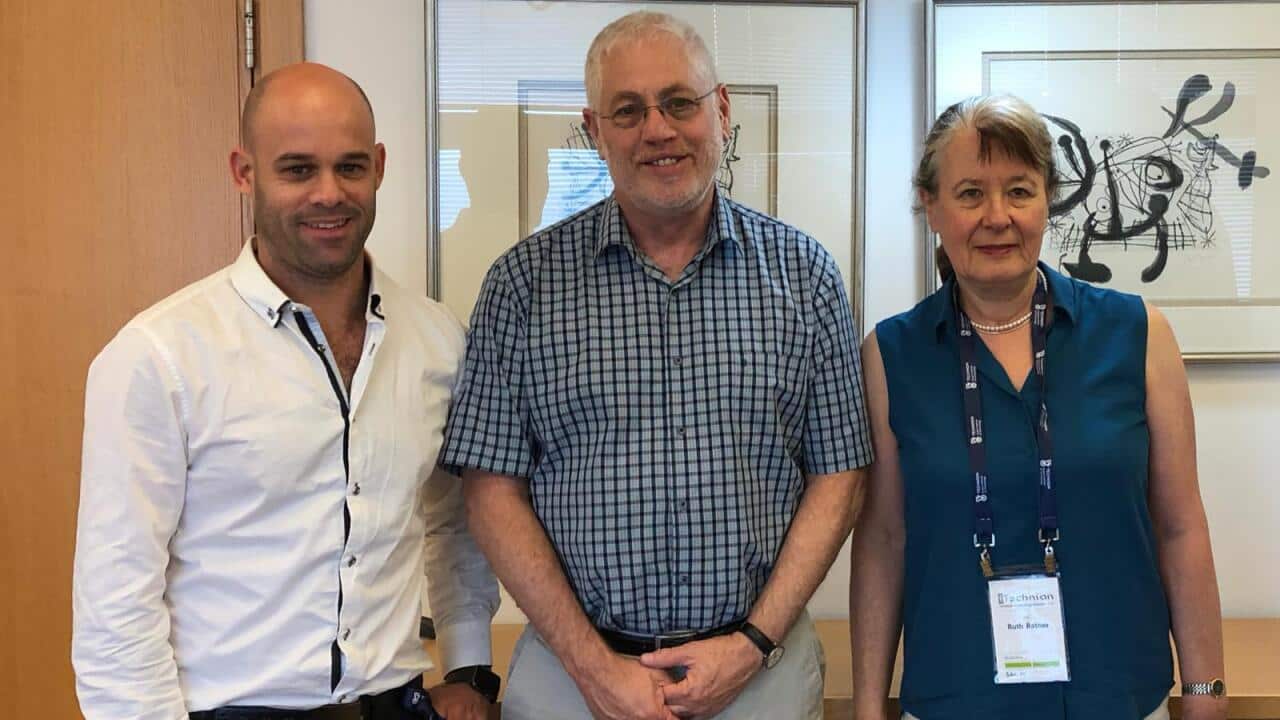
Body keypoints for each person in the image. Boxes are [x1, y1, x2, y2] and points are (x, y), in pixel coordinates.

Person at [439, 11, 872, 720]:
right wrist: (594, 668)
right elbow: (490, 492)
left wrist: (751, 643)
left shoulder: (806, 277)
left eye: (679, 103)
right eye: (629, 111)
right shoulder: (522, 286)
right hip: (573, 676)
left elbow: (841, 476)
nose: (659, 130)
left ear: (721, 110)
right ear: (594, 129)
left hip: (758, 671)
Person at [72, 63, 501, 720]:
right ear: (244, 173)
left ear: (380, 167)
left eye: (350, 167)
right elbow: (115, 610)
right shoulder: (157, 357)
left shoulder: (437, 340)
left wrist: (470, 670)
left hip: (396, 703)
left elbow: (454, 519)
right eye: (297, 170)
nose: (329, 193)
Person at [848, 95, 1227, 720]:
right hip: (955, 697)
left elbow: (1182, 525)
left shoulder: (1139, 336)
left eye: (1019, 191)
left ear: (1049, 198)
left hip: (1119, 696)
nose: (997, 217)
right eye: (970, 193)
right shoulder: (891, 356)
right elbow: (884, 539)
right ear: (930, 205)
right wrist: (867, 707)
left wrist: (1205, 691)